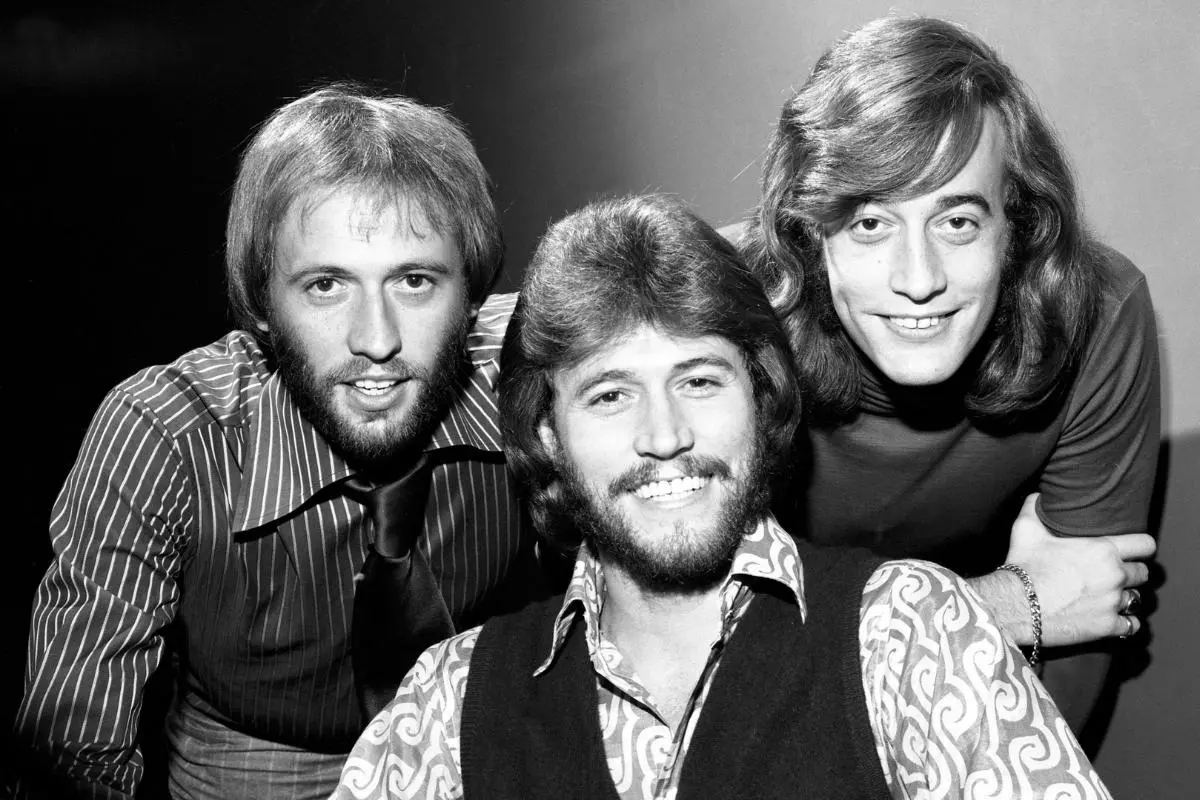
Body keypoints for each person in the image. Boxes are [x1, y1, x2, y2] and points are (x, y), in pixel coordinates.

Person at [333, 194, 1113, 800]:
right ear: (547, 436)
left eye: (700, 380)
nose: (665, 434)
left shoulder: (911, 635)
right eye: (609, 396)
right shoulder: (450, 701)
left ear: (762, 396)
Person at [13, 84, 540, 799]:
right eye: (326, 286)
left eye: (415, 281)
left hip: (476, 727)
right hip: (254, 760)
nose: (376, 341)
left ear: (472, 297)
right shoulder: (169, 435)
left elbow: (708, 280)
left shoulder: (538, 371)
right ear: (263, 306)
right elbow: (71, 757)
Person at [728, 16, 1160, 740]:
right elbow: (703, 655)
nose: (918, 280)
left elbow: (1085, 617)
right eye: (870, 224)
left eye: (957, 221)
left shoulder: (1098, 312)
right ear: (809, 234)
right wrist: (1005, 605)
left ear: (1015, 227)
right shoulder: (718, 318)